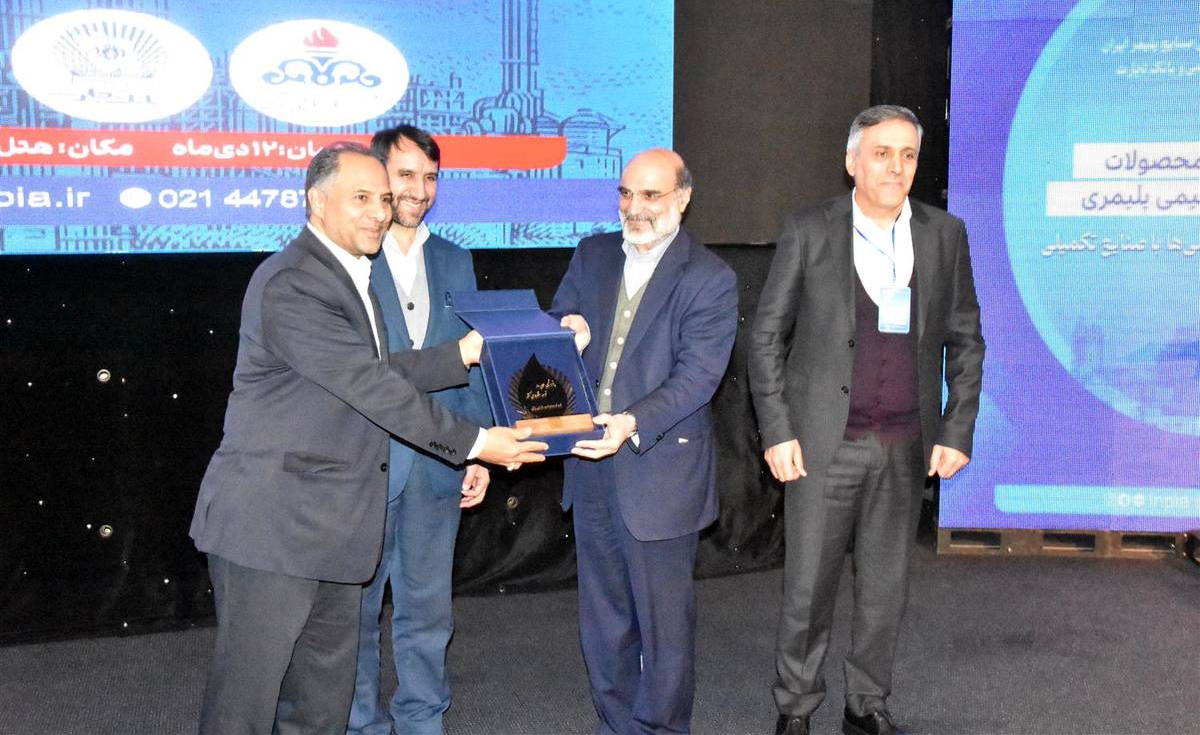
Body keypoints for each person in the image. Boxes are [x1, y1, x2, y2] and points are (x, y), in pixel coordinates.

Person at [189, 142, 546, 735]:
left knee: (321, 708)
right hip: (273, 531)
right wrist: (478, 442)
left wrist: (459, 354)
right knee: (243, 710)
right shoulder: (293, 283)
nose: (379, 212)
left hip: (334, 531)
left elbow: (378, 372)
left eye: (383, 198)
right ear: (316, 201)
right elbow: (371, 388)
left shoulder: (348, 275)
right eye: (361, 197)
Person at [748, 105, 984, 735]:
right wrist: (778, 430)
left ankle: (866, 704)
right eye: (881, 153)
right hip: (823, 444)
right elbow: (765, 337)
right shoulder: (809, 229)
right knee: (808, 589)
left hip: (906, 445)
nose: (896, 167)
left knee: (885, 589)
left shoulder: (945, 234)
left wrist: (956, 429)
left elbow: (966, 340)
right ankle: (796, 707)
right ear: (852, 161)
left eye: (907, 155)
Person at [551, 148, 738, 735]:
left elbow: (698, 378)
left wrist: (630, 422)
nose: (635, 207)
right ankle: (616, 726)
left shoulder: (710, 277)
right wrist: (567, 327)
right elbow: (561, 318)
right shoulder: (592, 254)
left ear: (683, 197)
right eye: (627, 193)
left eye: (651, 195)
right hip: (589, 466)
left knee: (664, 631)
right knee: (603, 622)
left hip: (660, 472)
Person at [347, 126, 492, 735]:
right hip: (363, 468)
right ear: (378, 177)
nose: (419, 189)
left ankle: (423, 720)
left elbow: (474, 364)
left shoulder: (456, 259)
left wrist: (476, 450)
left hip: (438, 464)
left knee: (429, 613)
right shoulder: (349, 255)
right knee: (354, 614)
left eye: (430, 177)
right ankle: (358, 724)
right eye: (406, 175)